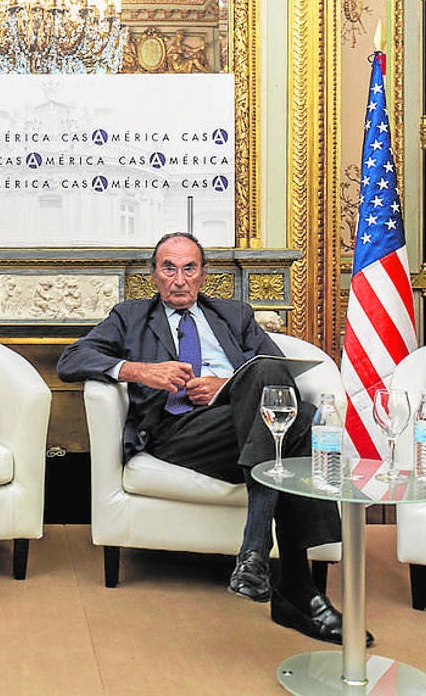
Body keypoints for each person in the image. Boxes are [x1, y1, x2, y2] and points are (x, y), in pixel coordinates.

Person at [57, 232, 365, 647]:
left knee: (272, 385)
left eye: (189, 268)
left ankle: (261, 562)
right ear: (154, 275)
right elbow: (71, 360)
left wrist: (227, 386)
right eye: (169, 268)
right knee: (302, 421)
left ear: (203, 274)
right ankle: (294, 586)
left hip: (240, 427)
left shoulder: (234, 315)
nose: (179, 279)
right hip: (178, 432)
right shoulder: (129, 316)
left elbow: (280, 372)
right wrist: (140, 371)